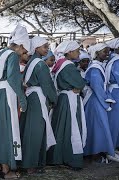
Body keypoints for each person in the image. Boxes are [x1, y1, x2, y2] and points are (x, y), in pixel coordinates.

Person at [0, 25, 28, 179]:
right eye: (24, 51)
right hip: (6, 95)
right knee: (6, 131)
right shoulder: (12, 56)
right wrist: (23, 100)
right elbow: (13, 79)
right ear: (21, 45)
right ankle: (5, 170)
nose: (23, 53)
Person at [20, 37, 57, 174]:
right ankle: (31, 165)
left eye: (47, 46)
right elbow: (47, 85)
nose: (47, 49)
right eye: (44, 46)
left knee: (31, 130)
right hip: (38, 98)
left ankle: (32, 163)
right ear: (36, 48)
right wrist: (54, 99)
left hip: (31, 97)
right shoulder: (41, 65)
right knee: (35, 132)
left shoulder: (31, 62)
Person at [47, 41, 86, 170]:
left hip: (63, 98)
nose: (79, 53)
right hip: (70, 99)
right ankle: (70, 158)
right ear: (69, 52)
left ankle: (57, 156)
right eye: (77, 50)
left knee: (61, 128)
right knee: (71, 129)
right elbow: (80, 83)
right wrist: (78, 87)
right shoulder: (69, 66)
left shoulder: (60, 63)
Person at [83, 43, 119, 162]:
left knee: (98, 126)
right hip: (96, 101)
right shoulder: (94, 68)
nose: (107, 53)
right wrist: (105, 102)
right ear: (97, 53)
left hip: (97, 99)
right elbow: (97, 87)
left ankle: (98, 152)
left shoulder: (98, 66)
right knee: (98, 127)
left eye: (108, 51)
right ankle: (95, 153)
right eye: (104, 51)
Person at [106, 38, 119, 157]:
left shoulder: (113, 59)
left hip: (115, 91)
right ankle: (110, 149)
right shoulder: (118, 61)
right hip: (116, 93)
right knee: (114, 122)